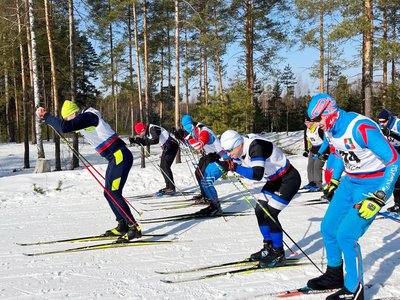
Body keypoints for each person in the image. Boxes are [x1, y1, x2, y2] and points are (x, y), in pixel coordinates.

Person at [305, 94, 400, 300]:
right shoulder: (330, 129)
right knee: (328, 227)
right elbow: (339, 153)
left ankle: (353, 289)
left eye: (319, 119)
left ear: (329, 112)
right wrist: (335, 180)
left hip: (374, 184)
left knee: (346, 235)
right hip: (351, 182)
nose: (317, 125)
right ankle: (334, 275)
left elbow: (394, 161)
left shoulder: (361, 128)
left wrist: (379, 196)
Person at [36, 100, 141, 242]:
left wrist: (47, 116)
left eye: (68, 118)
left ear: (73, 113)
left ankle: (133, 227)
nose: (67, 121)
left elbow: (64, 127)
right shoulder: (85, 120)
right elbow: (65, 126)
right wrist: (46, 119)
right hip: (115, 158)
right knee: (108, 193)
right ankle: (122, 225)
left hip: (120, 155)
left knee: (114, 192)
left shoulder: (89, 116)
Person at [220, 130, 301, 268]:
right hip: (274, 180)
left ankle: (279, 252)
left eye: (230, 150)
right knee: (259, 210)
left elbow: (257, 174)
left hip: (288, 179)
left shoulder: (256, 147)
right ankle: (268, 247)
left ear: (238, 144)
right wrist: (215, 158)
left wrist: (234, 167)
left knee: (270, 213)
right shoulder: (240, 148)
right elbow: (226, 157)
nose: (229, 154)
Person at [181, 114, 228, 216]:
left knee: (206, 181)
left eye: (187, 126)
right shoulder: (195, 131)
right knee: (201, 177)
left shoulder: (204, 131)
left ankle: (215, 206)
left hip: (222, 159)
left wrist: (188, 137)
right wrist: (181, 138)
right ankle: (211, 202)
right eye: (185, 127)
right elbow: (190, 145)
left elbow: (198, 146)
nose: (187, 129)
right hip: (212, 157)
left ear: (192, 124)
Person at [129, 122, 179, 195]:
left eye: (140, 133)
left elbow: (155, 140)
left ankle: (171, 188)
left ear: (143, 130)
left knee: (165, 166)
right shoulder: (149, 131)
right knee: (162, 167)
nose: (141, 135)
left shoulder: (152, 129)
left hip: (172, 145)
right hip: (168, 147)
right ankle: (168, 186)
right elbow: (147, 142)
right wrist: (136, 141)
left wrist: (141, 141)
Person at [377, 108, 400, 213]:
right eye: (380, 121)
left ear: (389, 119)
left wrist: (391, 133)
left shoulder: (398, 124)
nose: (382, 124)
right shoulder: (380, 127)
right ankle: (398, 205)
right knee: (395, 181)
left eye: (384, 121)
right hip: (394, 154)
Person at [303, 119, 325, 191]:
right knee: (310, 166)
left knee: (317, 166)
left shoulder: (319, 129)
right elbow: (307, 140)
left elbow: (326, 142)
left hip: (322, 149)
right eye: (305, 122)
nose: (306, 124)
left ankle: (318, 184)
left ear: (312, 122)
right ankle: (312, 182)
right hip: (313, 149)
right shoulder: (307, 129)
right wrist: (306, 150)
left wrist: (327, 152)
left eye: (308, 122)